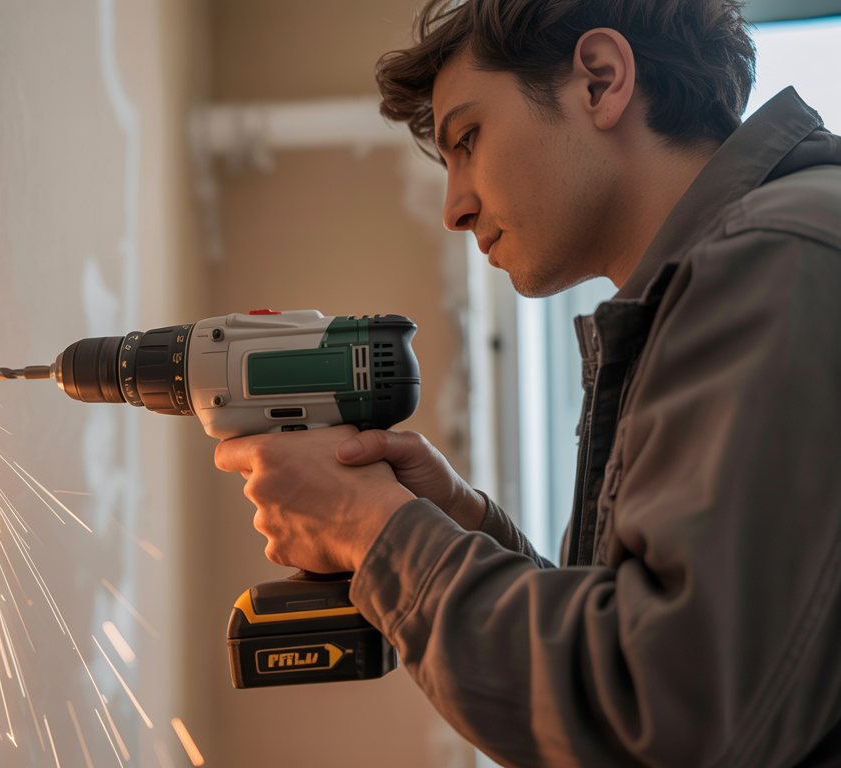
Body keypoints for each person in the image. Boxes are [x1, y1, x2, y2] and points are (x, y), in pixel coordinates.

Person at [213, 0, 841, 765]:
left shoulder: (775, 263)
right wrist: (460, 521)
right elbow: (653, 638)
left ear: (601, 82)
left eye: (468, 139)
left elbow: (664, 716)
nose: (454, 207)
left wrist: (368, 527)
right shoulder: (713, 289)